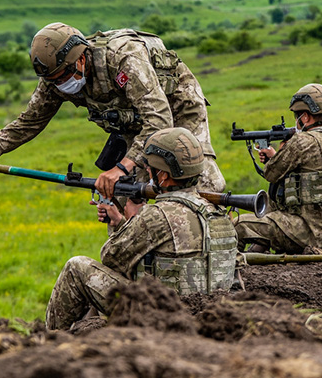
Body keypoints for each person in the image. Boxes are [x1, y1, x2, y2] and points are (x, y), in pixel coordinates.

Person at [0, 22, 225, 198]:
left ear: (80, 59)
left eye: (63, 77)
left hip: (175, 108)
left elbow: (159, 119)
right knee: (136, 193)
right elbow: (28, 122)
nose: (60, 85)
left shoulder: (123, 56)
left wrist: (121, 167)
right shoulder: (54, 79)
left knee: (198, 182)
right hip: (134, 124)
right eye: (52, 81)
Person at [45, 127, 238, 330]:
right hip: (212, 316)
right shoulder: (218, 212)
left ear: (163, 176)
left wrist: (127, 223)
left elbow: (111, 257)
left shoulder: (155, 216)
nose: (147, 171)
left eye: (151, 168)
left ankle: (48, 340)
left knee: (76, 268)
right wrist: (120, 221)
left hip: (163, 319)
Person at [234, 83, 322, 254]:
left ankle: (234, 275)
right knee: (274, 203)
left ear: (306, 117)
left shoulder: (303, 141)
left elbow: (271, 173)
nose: (296, 121)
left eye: (297, 116)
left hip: (311, 233)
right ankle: (258, 249)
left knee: (238, 226)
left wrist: (278, 153)